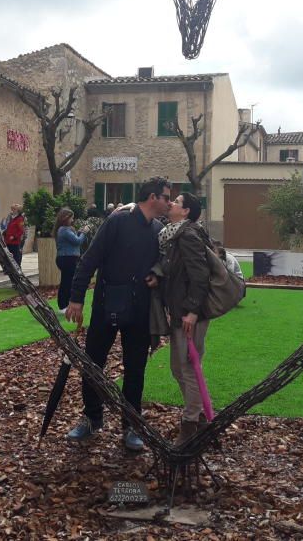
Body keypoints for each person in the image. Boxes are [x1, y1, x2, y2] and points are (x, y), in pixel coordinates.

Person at [65, 177, 170, 451]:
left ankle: (131, 425)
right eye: (166, 197)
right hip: (106, 306)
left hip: (140, 312)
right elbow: (90, 259)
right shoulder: (117, 222)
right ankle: (91, 418)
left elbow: (164, 264)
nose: (169, 203)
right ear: (152, 197)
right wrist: (76, 298)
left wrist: (157, 275)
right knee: (93, 364)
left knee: (136, 370)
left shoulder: (159, 230)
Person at [158, 193, 213, 444]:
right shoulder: (174, 234)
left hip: (191, 315)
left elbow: (200, 276)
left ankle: (190, 424)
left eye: (177, 202)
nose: (171, 204)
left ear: (186, 211)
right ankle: (199, 416)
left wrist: (192, 310)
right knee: (178, 368)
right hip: (181, 312)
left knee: (188, 368)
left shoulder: (188, 235)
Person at [55, 208, 86, 314]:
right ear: (66, 218)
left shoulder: (64, 229)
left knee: (67, 282)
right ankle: (63, 305)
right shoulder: (64, 230)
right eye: (71, 217)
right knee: (67, 282)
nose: (73, 220)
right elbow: (77, 241)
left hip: (67, 258)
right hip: (67, 259)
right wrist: (84, 233)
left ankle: (65, 304)